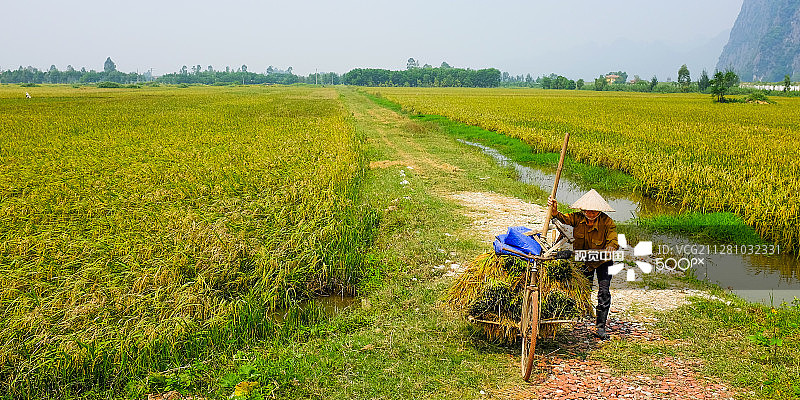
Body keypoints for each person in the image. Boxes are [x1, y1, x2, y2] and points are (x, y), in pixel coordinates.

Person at [547, 189, 618, 339]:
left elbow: (613, 242)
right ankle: (583, 315)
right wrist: (554, 211)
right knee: (583, 289)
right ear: (583, 209)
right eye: (588, 211)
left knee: (603, 292)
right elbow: (562, 218)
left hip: (603, 262)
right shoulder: (577, 218)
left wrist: (610, 248)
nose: (590, 214)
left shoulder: (608, 222)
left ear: (599, 211)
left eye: (593, 212)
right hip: (583, 260)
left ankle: (600, 327)